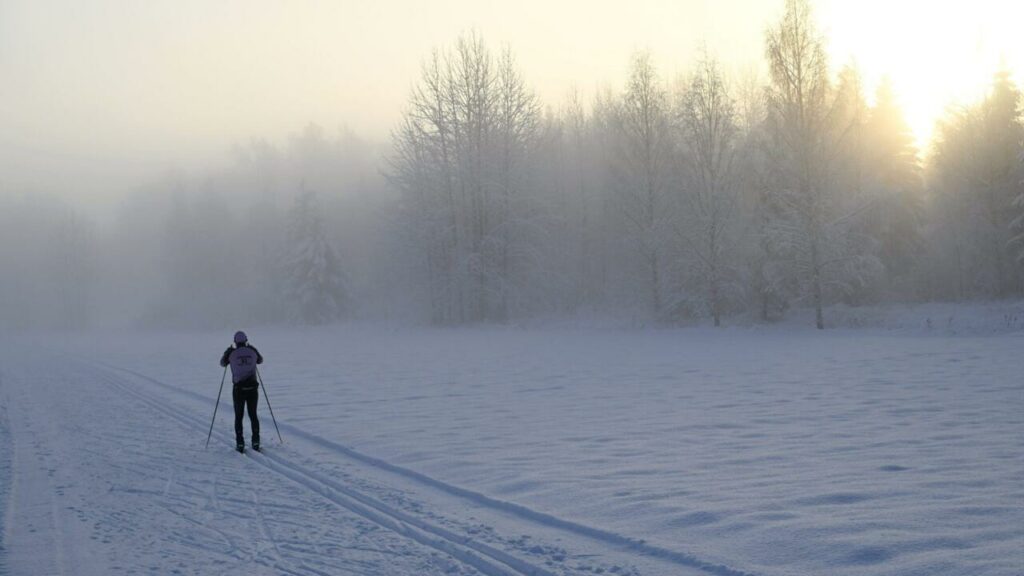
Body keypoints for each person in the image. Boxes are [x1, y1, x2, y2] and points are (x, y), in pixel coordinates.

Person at [220, 331, 264, 452]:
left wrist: (227, 352)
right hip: (253, 389)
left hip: (238, 389)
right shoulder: (252, 351)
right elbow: (260, 360)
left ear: (235, 342)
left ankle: (240, 443)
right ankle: (256, 441)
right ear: (246, 341)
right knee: (253, 415)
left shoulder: (232, 353)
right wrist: (252, 348)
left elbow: (222, 363)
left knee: (238, 416)